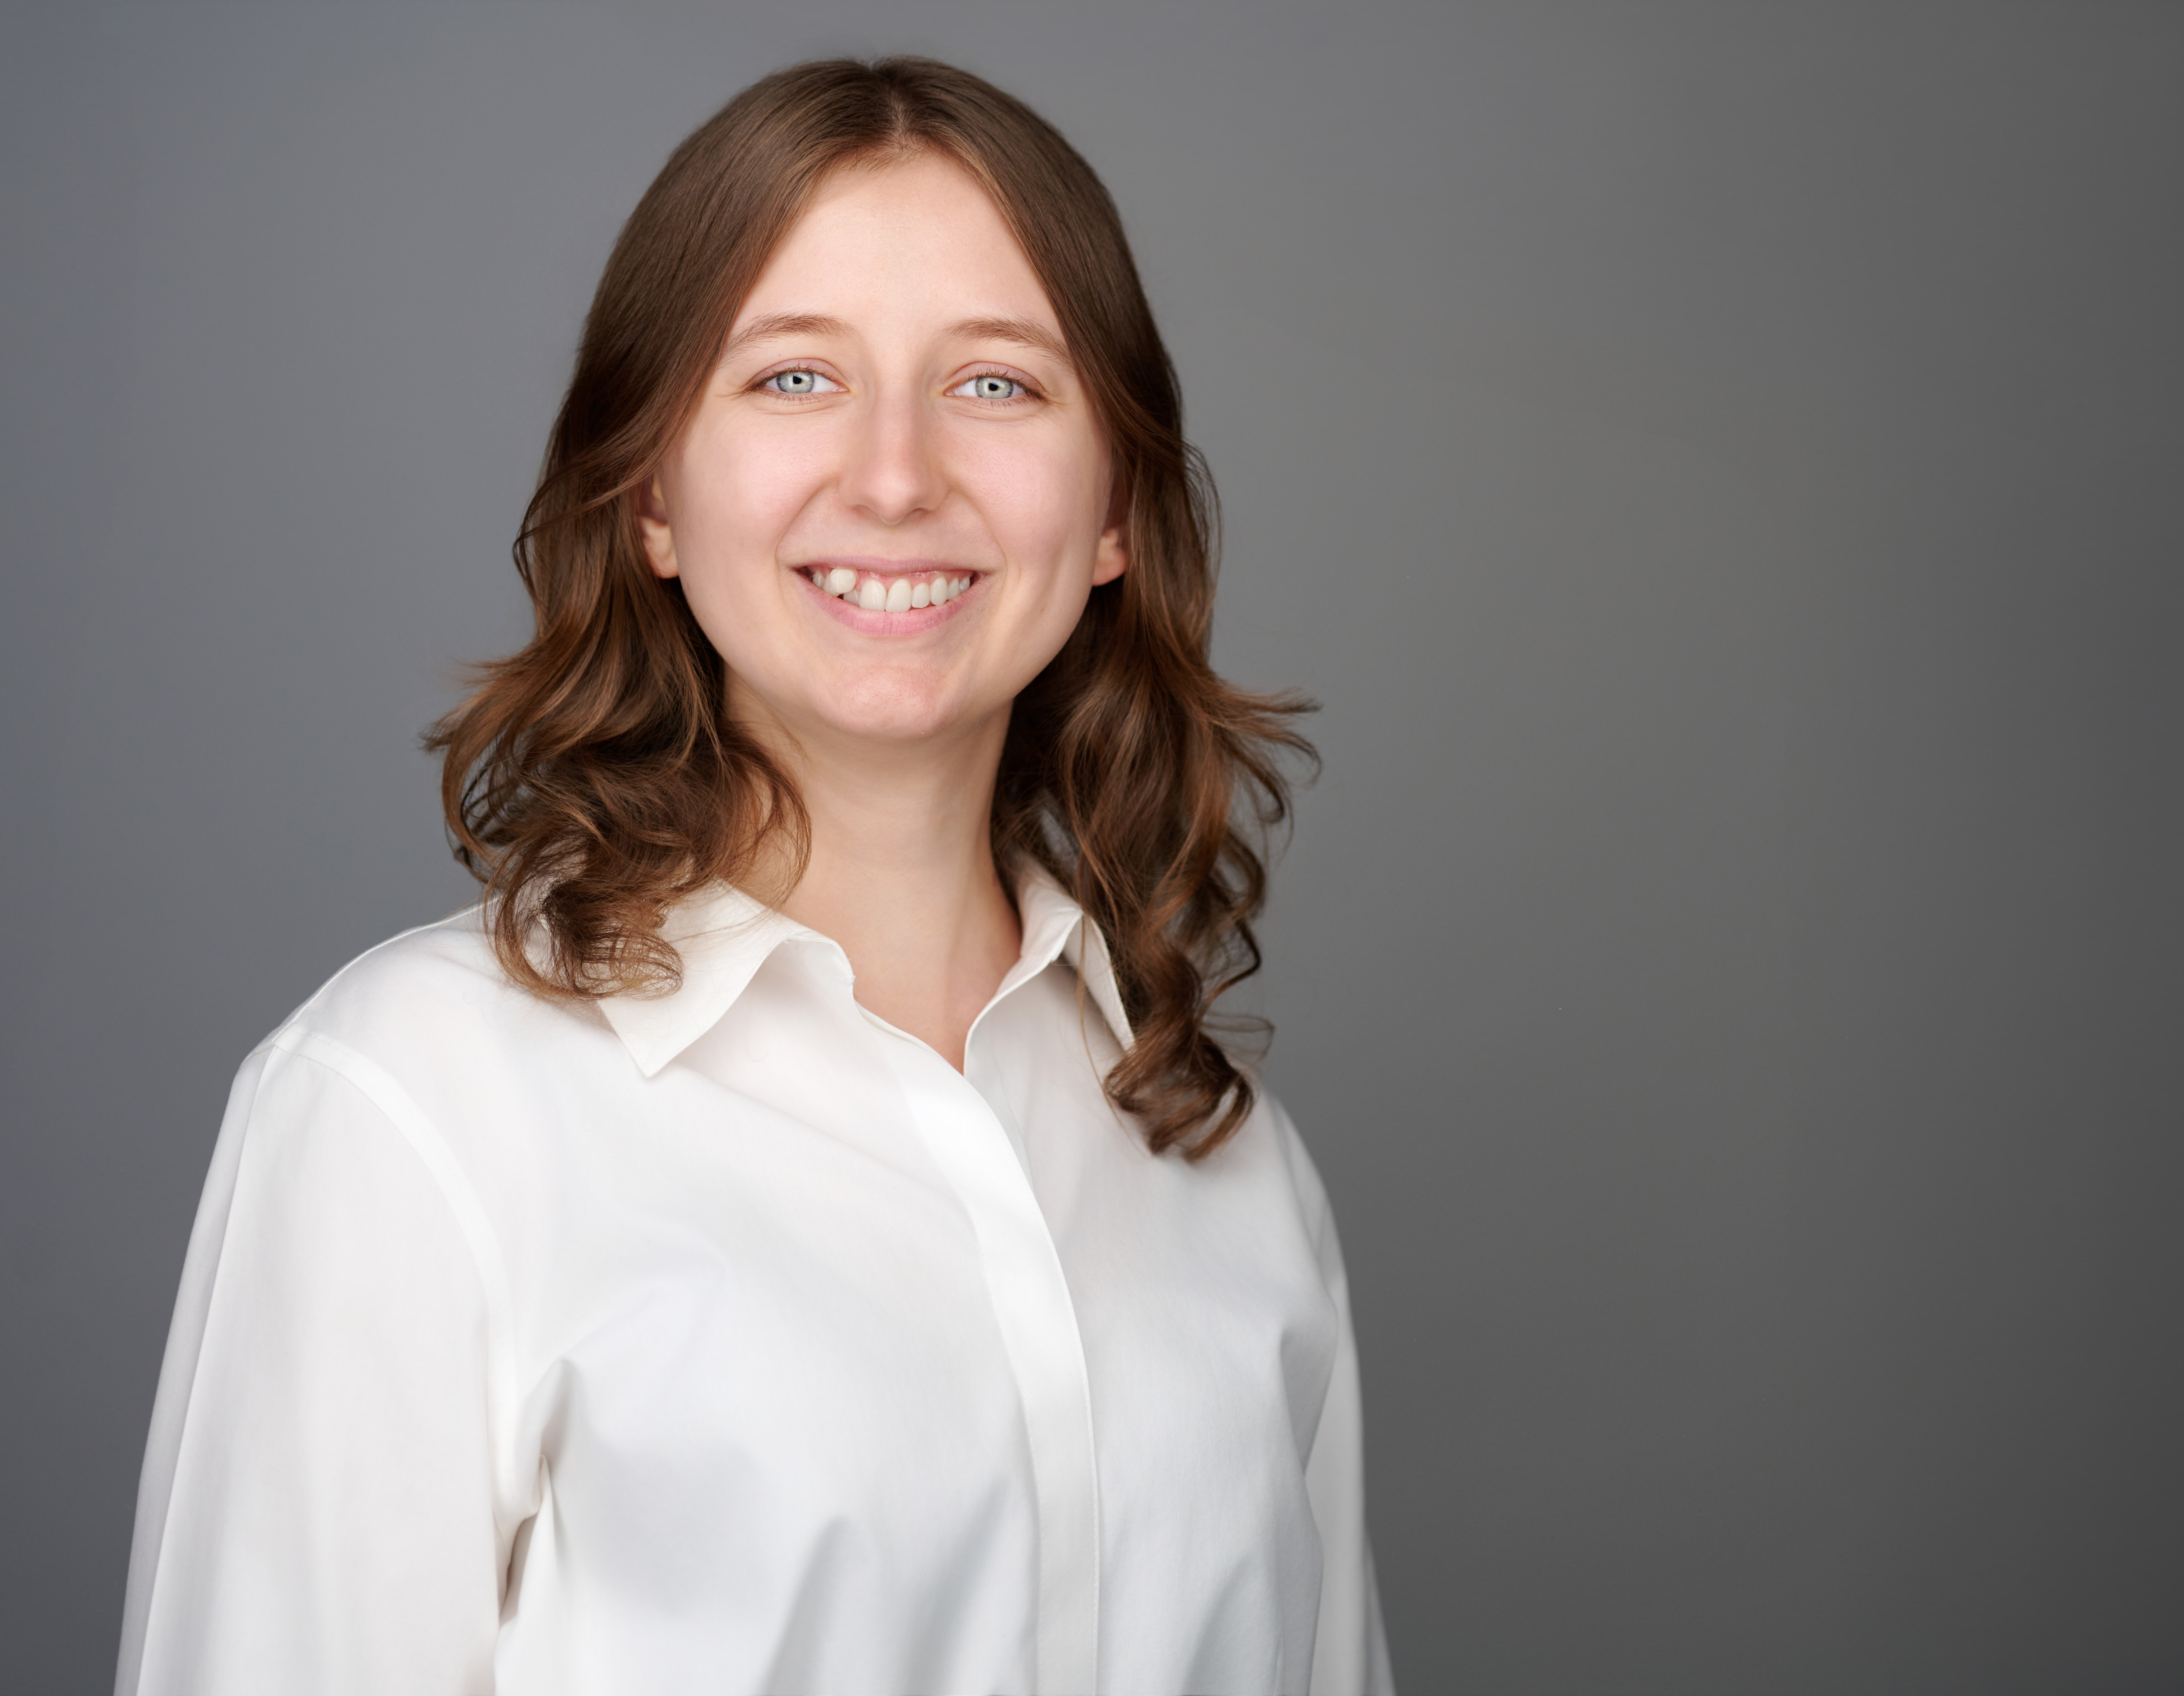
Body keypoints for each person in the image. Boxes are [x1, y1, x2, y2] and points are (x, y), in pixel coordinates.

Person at [113, 56, 1391, 1696]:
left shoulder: (1230, 1163)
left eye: (997, 385)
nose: (893, 477)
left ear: (1117, 508)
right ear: (651, 490)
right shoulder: (411, 1109)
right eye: (793, 380)